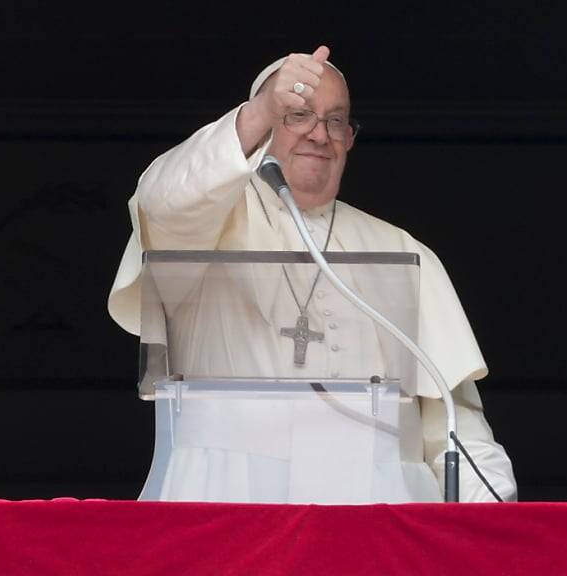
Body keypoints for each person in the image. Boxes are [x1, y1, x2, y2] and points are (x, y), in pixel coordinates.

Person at [108, 46, 516, 503]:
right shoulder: (206, 222)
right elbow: (163, 199)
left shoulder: (402, 250)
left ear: (350, 137)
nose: (319, 135)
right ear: (264, 127)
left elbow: (453, 422)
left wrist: (493, 525)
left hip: (376, 501)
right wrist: (261, 109)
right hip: (229, 492)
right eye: (296, 115)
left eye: (335, 120)